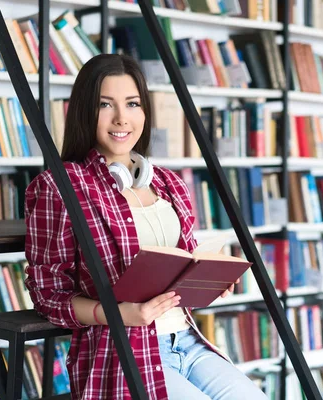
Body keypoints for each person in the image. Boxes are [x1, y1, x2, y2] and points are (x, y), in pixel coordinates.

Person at [24, 54, 268, 400]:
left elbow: (182, 264)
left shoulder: (169, 182)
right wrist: (117, 313)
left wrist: (207, 283)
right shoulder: (59, 186)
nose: (122, 118)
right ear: (83, 112)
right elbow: (48, 296)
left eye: (133, 103)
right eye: (105, 105)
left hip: (186, 340)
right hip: (122, 350)